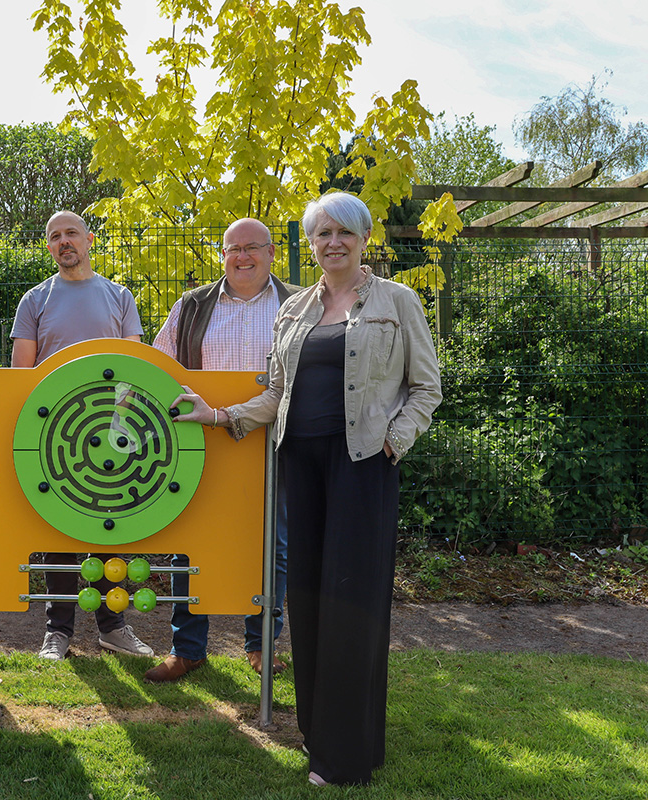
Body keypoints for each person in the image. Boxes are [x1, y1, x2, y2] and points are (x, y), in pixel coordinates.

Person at [170, 192, 442, 786]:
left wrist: (393, 442)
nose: (333, 243)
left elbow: (426, 388)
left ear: (364, 239)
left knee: (354, 606)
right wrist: (219, 415)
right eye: (322, 234)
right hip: (301, 466)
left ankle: (346, 756)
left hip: (362, 465)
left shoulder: (397, 301)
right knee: (312, 602)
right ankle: (320, 736)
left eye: (344, 232)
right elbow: (276, 394)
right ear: (311, 243)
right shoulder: (294, 309)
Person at [144, 217, 298, 683]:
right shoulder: (191, 306)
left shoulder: (300, 303)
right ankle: (187, 649)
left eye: (253, 247)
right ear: (223, 255)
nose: (242, 256)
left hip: (275, 440)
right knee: (189, 545)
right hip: (201, 440)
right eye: (233, 248)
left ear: (272, 252)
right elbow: (160, 365)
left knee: (273, 545)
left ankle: (261, 644)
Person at [11, 210, 155, 661]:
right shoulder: (34, 300)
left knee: (111, 523)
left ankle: (114, 627)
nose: (64, 241)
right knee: (58, 527)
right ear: (49, 247)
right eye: (55, 236)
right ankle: (57, 632)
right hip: (55, 432)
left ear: (89, 240)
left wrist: (123, 426)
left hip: (111, 431)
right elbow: (22, 375)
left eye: (71, 233)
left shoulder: (119, 296)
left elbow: (134, 366)